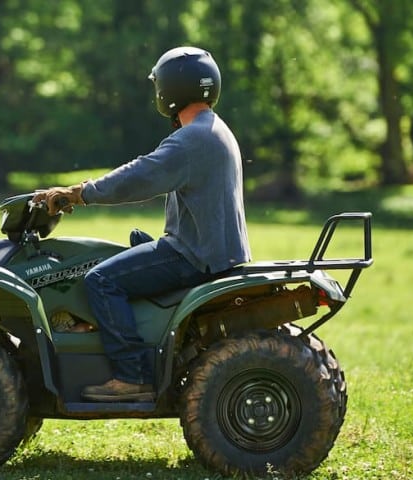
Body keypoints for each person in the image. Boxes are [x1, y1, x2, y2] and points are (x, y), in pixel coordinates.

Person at [34, 46, 250, 402]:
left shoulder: (191, 139)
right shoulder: (214, 129)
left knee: (101, 279)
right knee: (132, 246)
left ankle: (131, 376)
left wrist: (79, 193)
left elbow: (138, 176)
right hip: (212, 249)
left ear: (168, 91)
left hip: (193, 255)